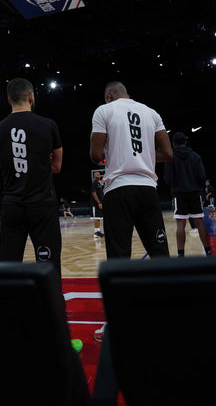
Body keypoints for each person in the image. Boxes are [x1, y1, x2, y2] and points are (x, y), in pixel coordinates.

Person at [90, 81, 173, 342]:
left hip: (118, 191)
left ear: (109, 96)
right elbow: (168, 153)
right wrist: (144, 155)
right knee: (160, 253)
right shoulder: (152, 112)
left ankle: (118, 322)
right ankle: (169, 314)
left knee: (119, 257)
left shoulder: (104, 111)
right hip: (148, 189)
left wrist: (116, 153)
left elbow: (94, 154)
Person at [0, 78, 63, 277]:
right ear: (31, 97)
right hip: (42, 205)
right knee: (48, 263)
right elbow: (56, 167)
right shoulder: (48, 125)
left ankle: (11, 306)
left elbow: (1, 164)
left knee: (9, 265)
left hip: (12, 205)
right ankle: (53, 305)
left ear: (9, 100)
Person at [163, 132, 212, 257]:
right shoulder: (195, 156)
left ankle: (181, 255)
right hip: (195, 192)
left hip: (179, 194)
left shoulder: (171, 157)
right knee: (199, 221)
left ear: (173, 143)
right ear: (186, 141)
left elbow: (168, 179)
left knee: (180, 224)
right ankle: (208, 252)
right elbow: (202, 176)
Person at [90, 171, 105, 238]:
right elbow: (94, 193)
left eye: (99, 174)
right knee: (96, 218)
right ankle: (96, 232)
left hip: (100, 203)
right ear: (94, 176)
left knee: (98, 217)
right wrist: (99, 202)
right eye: (96, 174)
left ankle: (98, 231)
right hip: (95, 204)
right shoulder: (94, 183)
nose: (98, 175)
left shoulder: (99, 183)